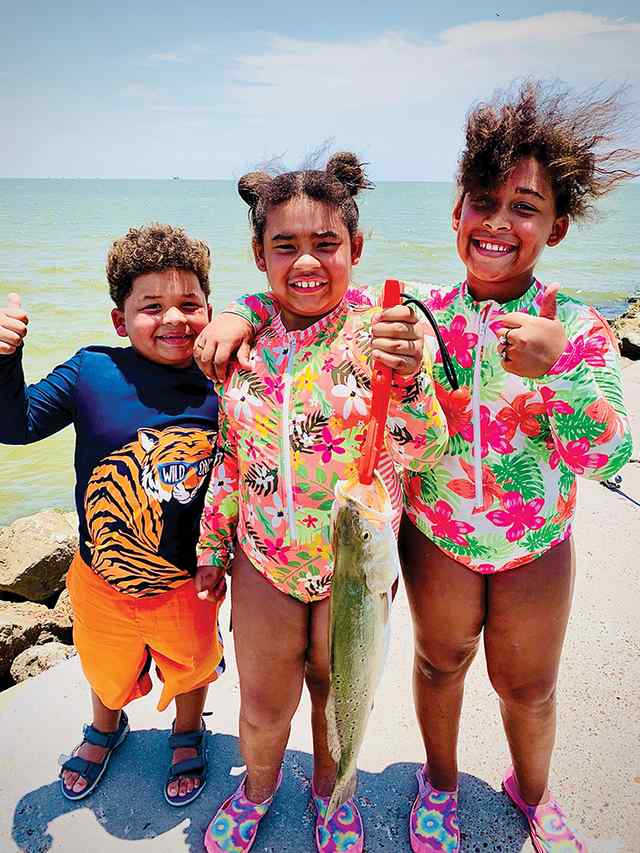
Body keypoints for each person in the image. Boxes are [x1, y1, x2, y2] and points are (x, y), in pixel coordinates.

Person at [193, 82, 636, 852]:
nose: (499, 221)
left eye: (524, 207)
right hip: (432, 539)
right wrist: (239, 306)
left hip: (534, 544)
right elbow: (303, 299)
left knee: (527, 688)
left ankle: (530, 793)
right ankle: (435, 781)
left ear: (557, 225)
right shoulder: (420, 307)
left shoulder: (578, 327)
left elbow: (607, 454)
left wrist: (560, 366)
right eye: (482, 201)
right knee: (439, 664)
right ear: (457, 211)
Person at [196, 152, 449, 853]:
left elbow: (426, 450)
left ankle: (335, 794)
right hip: (265, 560)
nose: (306, 261)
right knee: (264, 700)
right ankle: (256, 788)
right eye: (285, 246)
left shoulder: (384, 332)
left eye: (325, 244)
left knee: (339, 696)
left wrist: (412, 377)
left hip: (356, 570)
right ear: (258, 255)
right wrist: (213, 547)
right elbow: (230, 454)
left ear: (356, 250)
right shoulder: (241, 344)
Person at [0, 223, 227, 807]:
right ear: (119, 320)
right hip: (101, 575)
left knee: (193, 666)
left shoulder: (224, 382)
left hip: (187, 579)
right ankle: (106, 725)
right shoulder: (92, 371)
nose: (174, 318)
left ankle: (186, 730)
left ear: (211, 309)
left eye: (189, 304)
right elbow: (15, 424)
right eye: (151, 307)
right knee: (105, 668)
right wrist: (4, 359)